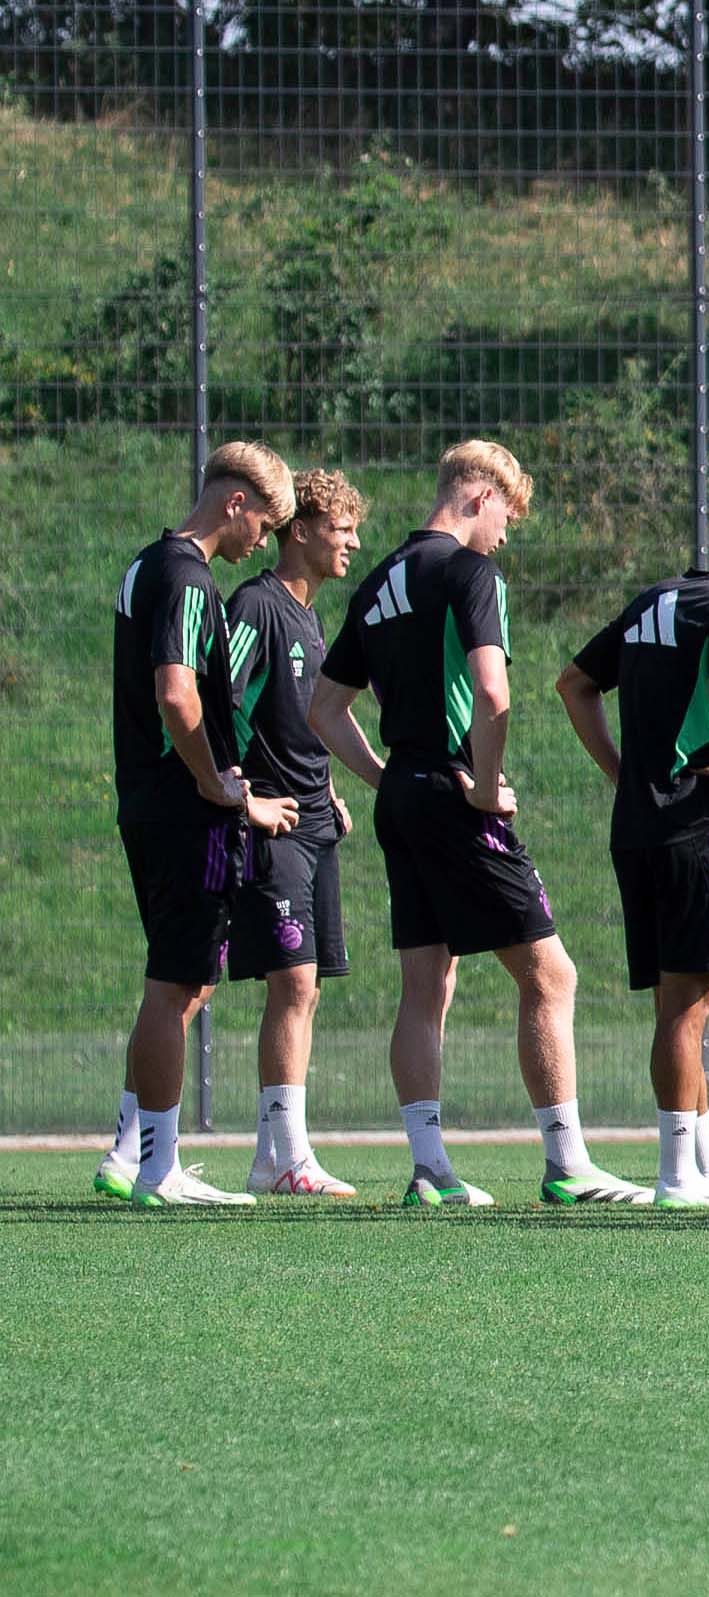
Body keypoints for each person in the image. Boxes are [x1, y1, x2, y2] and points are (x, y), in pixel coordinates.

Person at [314, 440, 647, 1207]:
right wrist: (487, 787)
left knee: (425, 983)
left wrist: (388, 777)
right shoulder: (470, 573)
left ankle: (430, 1168)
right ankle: (568, 1165)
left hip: (405, 792)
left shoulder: (376, 582)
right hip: (456, 794)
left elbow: (324, 709)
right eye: (507, 516)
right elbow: (494, 697)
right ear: (477, 496)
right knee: (550, 973)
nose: (506, 536)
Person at [103, 440, 298, 1208]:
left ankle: (138, 1155)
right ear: (235, 503)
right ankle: (157, 1169)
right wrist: (216, 780)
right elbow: (176, 693)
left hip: (148, 803)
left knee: (175, 985)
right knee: (177, 983)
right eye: (264, 523)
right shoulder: (188, 576)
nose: (263, 542)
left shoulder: (146, 564)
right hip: (183, 811)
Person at [559, 544, 709, 1207]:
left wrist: (623, 773)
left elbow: (573, 683)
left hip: (639, 827)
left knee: (677, 1001)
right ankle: (677, 1174)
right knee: (687, 1003)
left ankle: (703, 1159)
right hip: (695, 825)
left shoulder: (656, 597)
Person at [225, 469, 368, 1199]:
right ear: (302, 530)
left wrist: (334, 787)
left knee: (307, 991)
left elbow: (304, 716)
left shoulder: (310, 617)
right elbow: (218, 697)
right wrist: (241, 794)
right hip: (273, 822)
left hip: (316, 820)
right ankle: (287, 1157)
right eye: (341, 528)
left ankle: (273, 1153)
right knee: (293, 981)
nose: (352, 542)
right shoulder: (255, 603)